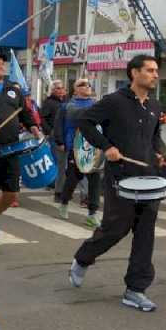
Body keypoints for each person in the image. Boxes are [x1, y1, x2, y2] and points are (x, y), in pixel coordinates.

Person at [68, 55, 163, 313]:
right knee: (115, 228)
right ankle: (83, 258)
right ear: (134, 73)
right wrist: (106, 146)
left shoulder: (155, 105)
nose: (155, 75)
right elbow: (85, 123)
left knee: (145, 234)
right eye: (150, 70)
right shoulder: (114, 101)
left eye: (156, 70)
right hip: (121, 176)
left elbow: (155, 136)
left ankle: (136, 289)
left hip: (149, 178)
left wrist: (157, 151)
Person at [0, 54, 40, 254]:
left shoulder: (14, 89)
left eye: (2, 63)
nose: (0, 66)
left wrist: (34, 127)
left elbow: (25, 113)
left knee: (11, 193)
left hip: (12, 147)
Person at [53, 78, 101, 227]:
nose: (87, 86)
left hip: (94, 146)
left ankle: (92, 213)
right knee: (73, 178)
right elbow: (60, 124)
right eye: (82, 84)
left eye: (88, 84)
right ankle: (64, 202)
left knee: (95, 180)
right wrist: (60, 142)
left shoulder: (96, 104)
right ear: (75, 90)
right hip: (76, 145)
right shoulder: (68, 106)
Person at [41, 80, 66, 199]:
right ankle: (54, 184)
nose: (61, 90)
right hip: (54, 136)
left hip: (65, 135)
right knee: (57, 161)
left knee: (62, 162)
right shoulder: (49, 102)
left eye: (62, 88)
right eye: (58, 88)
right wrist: (49, 132)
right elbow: (43, 119)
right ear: (53, 90)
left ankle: (58, 183)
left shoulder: (66, 102)